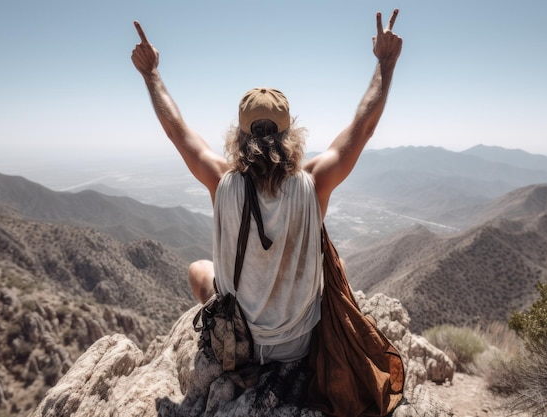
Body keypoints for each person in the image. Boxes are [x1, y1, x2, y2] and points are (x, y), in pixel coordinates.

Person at [131, 9, 402, 365]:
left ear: (240, 137)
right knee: (339, 266)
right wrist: (386, 62)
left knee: (198, 269)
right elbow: (363, 127)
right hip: (297, 345)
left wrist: (151, 75)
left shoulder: (221, 181)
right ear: (289, 135)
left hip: (240, 345)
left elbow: (176, 131)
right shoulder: (314, 182)